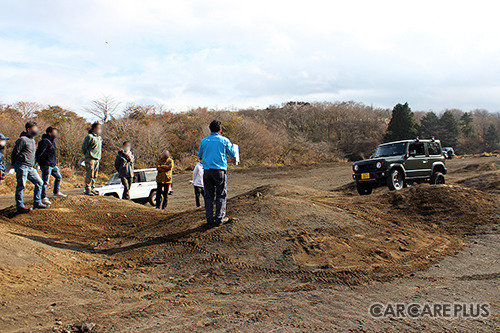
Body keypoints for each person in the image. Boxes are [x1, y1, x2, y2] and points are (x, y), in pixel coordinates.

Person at [198, 120, 236, 226]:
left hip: (207, 171)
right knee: (221, 194)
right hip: (219, 170)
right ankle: (219, 218)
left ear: (210, 129)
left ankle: (210, 218)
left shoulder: (204, 141)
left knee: (208, 196)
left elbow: (200, 154)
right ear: (220, 129)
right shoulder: (224, 140)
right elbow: (232, 154)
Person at [11, 121, 48, 213]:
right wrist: (14, 164)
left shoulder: (33, 140)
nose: (36, 130)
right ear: (28, 129)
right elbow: (15, 152)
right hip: (22, 166)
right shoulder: (22, 139)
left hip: (31, 167)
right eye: (34, 129)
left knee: (40, 182)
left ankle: (37, 202)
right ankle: (20, 206)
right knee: (21, 186)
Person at [36, 127, 66, 205]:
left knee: (59, 177)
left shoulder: (52, 142)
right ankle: (43, 197)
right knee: (45, 182)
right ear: (49, 133)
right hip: (46, 165)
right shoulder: (44, 142)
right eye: (54, 133)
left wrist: (54, 163)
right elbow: (39, 153)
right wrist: (39, 163)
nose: (56, 134)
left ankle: (56, 192)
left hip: (53, 164)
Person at [81, 122, 102, 196]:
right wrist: (87, 155)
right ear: (94, 129)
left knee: (95, 175)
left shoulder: (99, 137)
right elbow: (84, 147)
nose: (100, 130)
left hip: (97, 158)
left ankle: (92, 188)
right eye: (98, 128)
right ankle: (87, 189)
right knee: (90, 174)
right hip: (90, 158)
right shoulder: (89, 137)